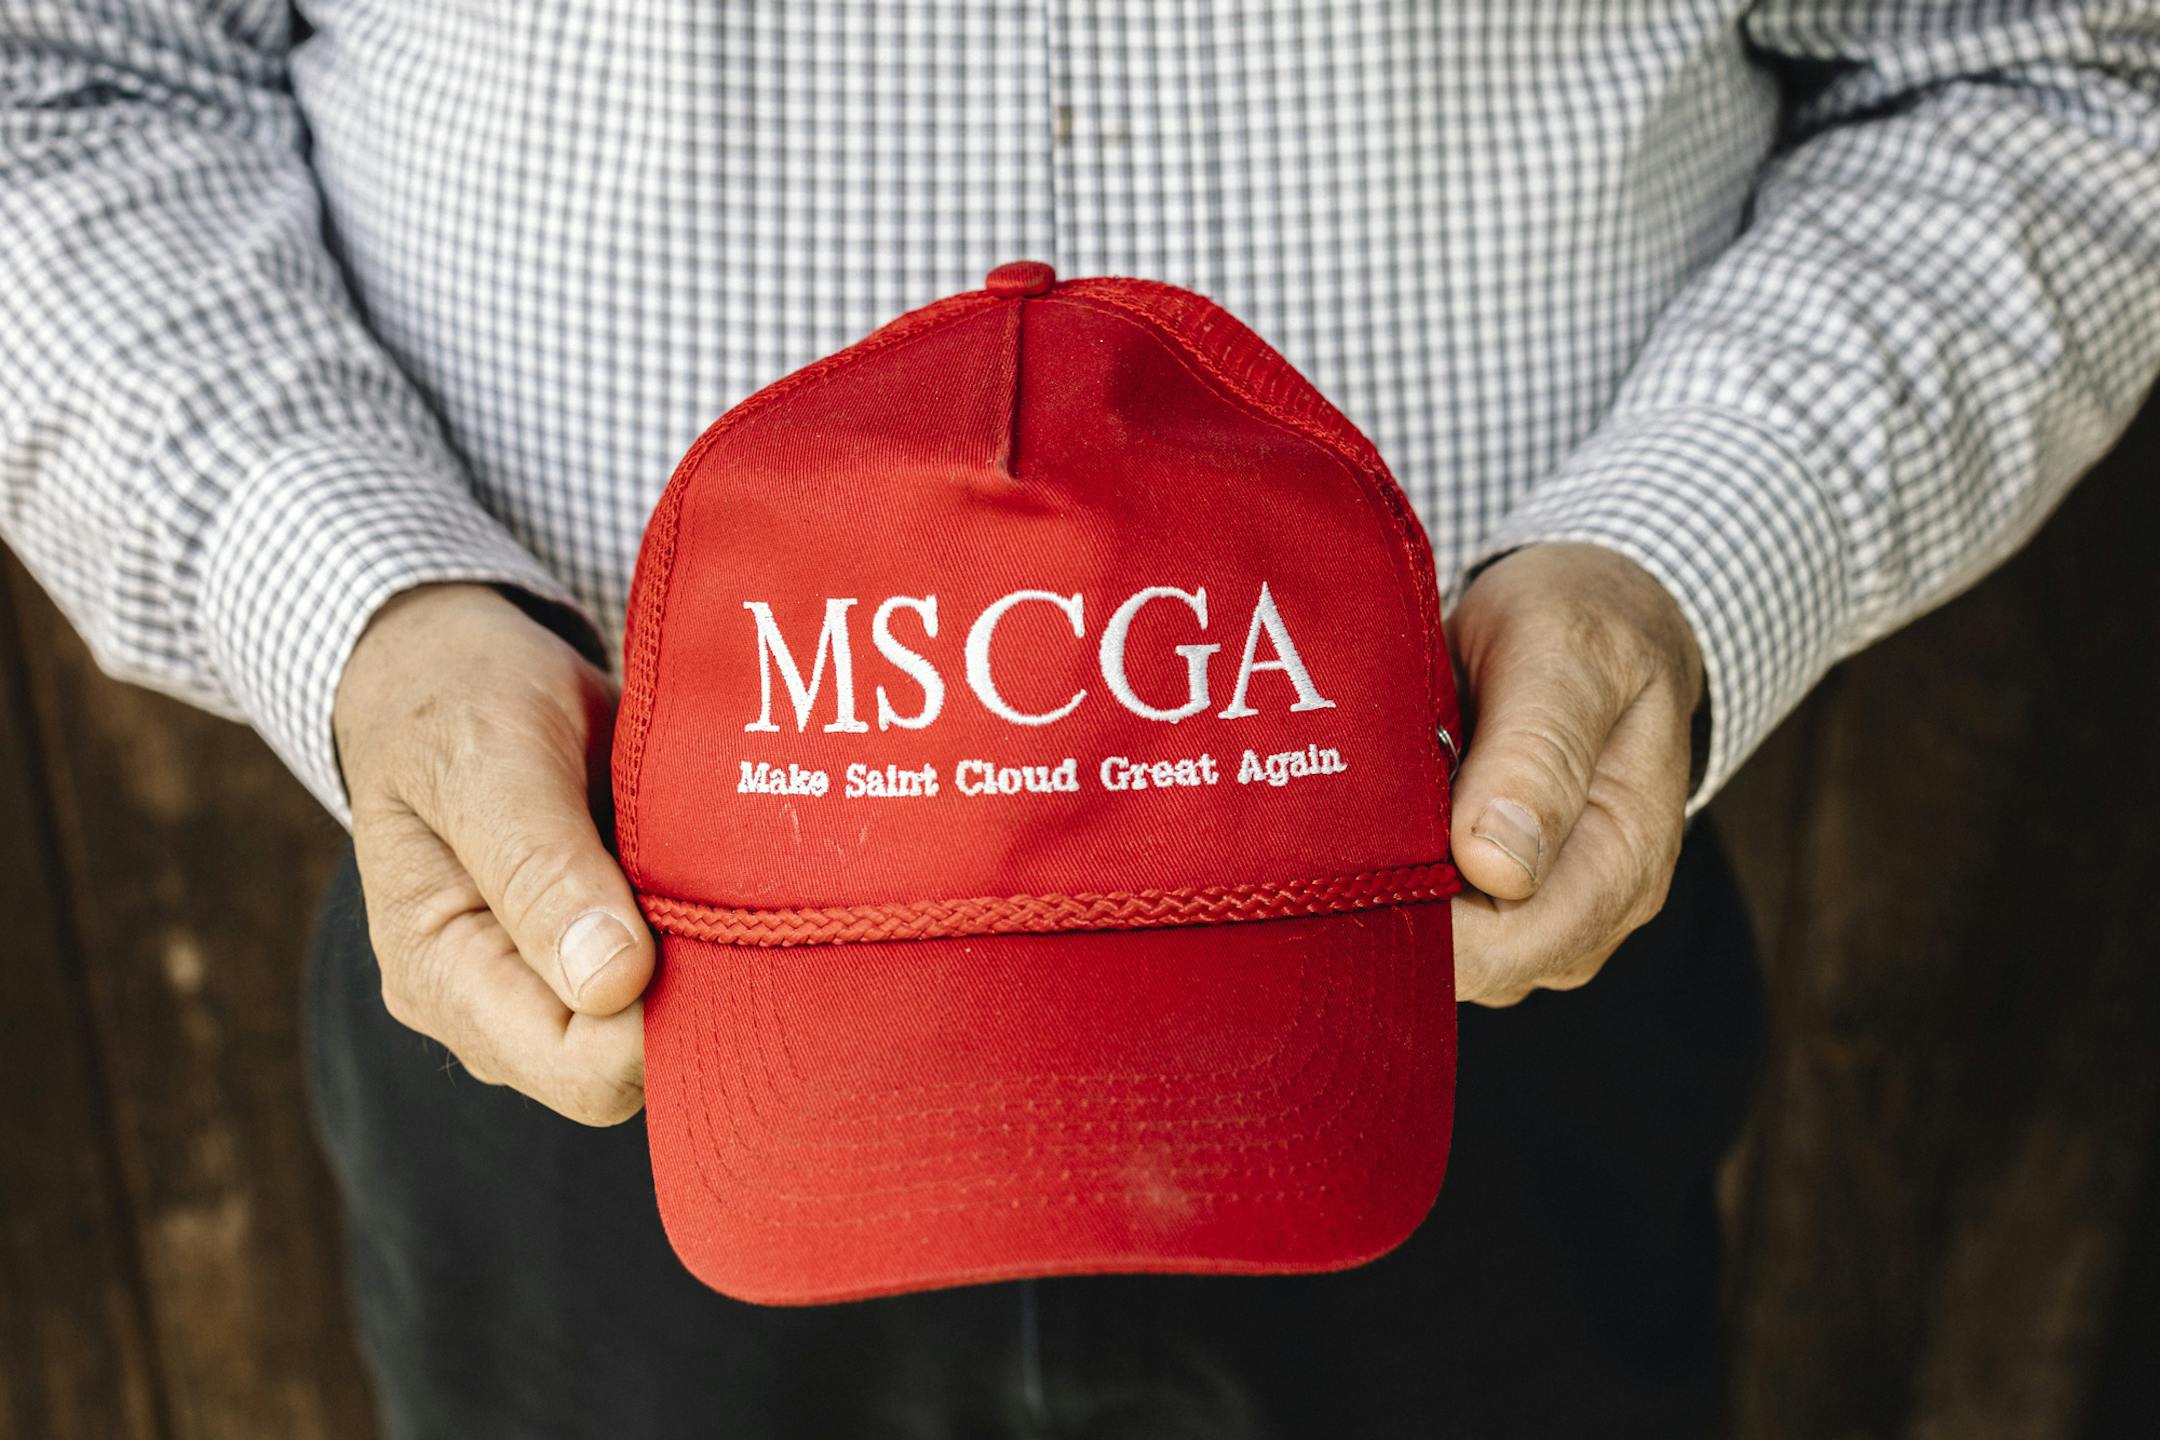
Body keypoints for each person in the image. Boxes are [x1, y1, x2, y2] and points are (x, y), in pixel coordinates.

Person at [3, 5, 2155, 1437]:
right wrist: (363, 604)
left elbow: (2064, 68)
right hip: (596, 968)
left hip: (1483, 911)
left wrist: (1686, 551)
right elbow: (57, 80)